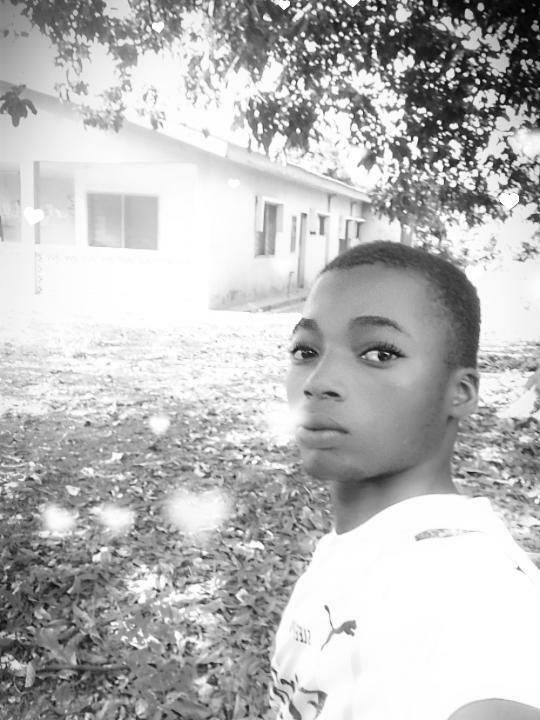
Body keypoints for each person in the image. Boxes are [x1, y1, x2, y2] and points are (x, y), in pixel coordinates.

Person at [269, 241, 540, 720]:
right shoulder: (358, 546)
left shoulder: (475, 593)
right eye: (305, 351)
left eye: (379, 353)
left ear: (460, 392)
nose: (317, 381)